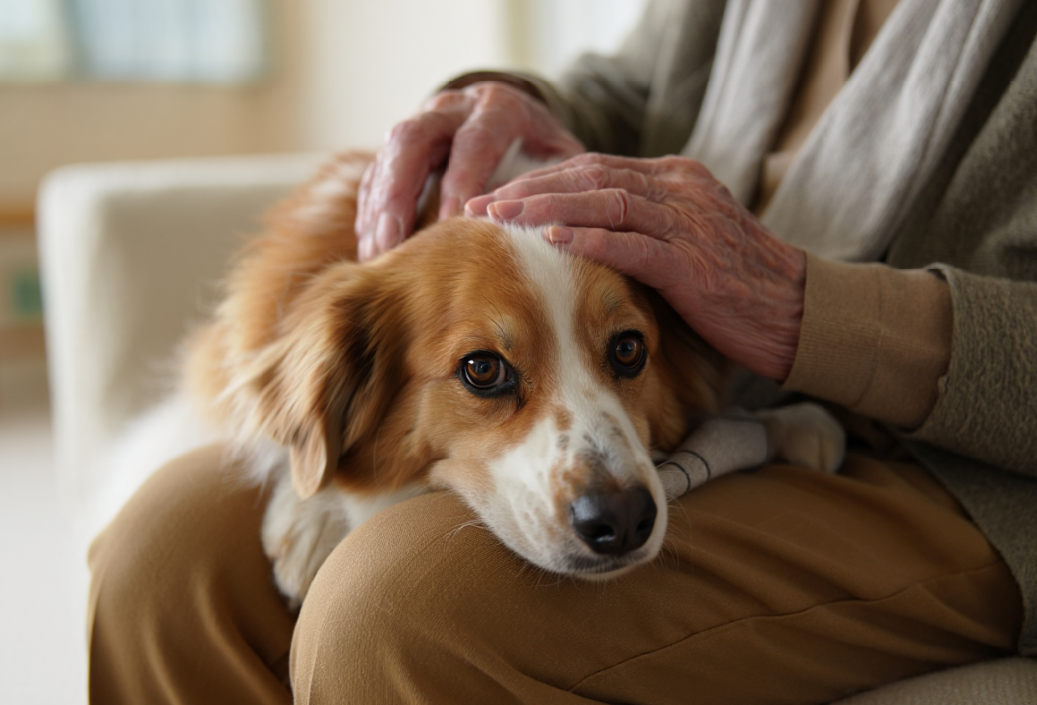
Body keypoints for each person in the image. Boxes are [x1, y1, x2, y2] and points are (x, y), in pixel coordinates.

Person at [89, 0, 1037, 702]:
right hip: (715, 378)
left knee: (394, 606)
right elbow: (634, 96)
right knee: (160, 559)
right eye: (484, 372)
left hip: (956, 469)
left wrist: (815, 311)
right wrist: (504, 109)